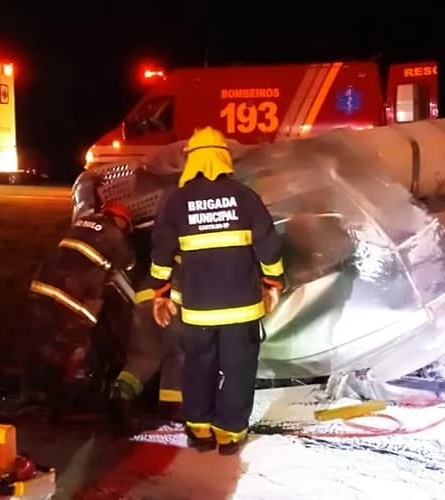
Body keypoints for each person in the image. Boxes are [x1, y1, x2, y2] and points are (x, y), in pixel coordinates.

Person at [147, 126, 284, 455]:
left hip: (197, 309)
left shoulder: (176, 201)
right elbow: (268, 245)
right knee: (238, 368)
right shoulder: (244, 196)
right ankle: (230, 434)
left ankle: (199, 430)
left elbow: (161, 252)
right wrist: (273, 283)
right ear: (224, 158)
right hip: (242, 307)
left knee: (198, 366)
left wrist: (161, 292)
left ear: (191, 160)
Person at [26, 201, 136, 412]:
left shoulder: (81, 224)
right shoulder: (113, 233)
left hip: (41, 288)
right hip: (71, 298)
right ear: (121, 221)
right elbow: (127, 262)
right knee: (76, 346)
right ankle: (66, 397)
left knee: (43, 342)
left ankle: (35, 393)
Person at [108, 255, 185, 434]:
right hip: (171, 300)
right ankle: (172, 407)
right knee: (178, 352)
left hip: (143, 299)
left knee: (143, 357)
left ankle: (121, 395)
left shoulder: (171, 247)